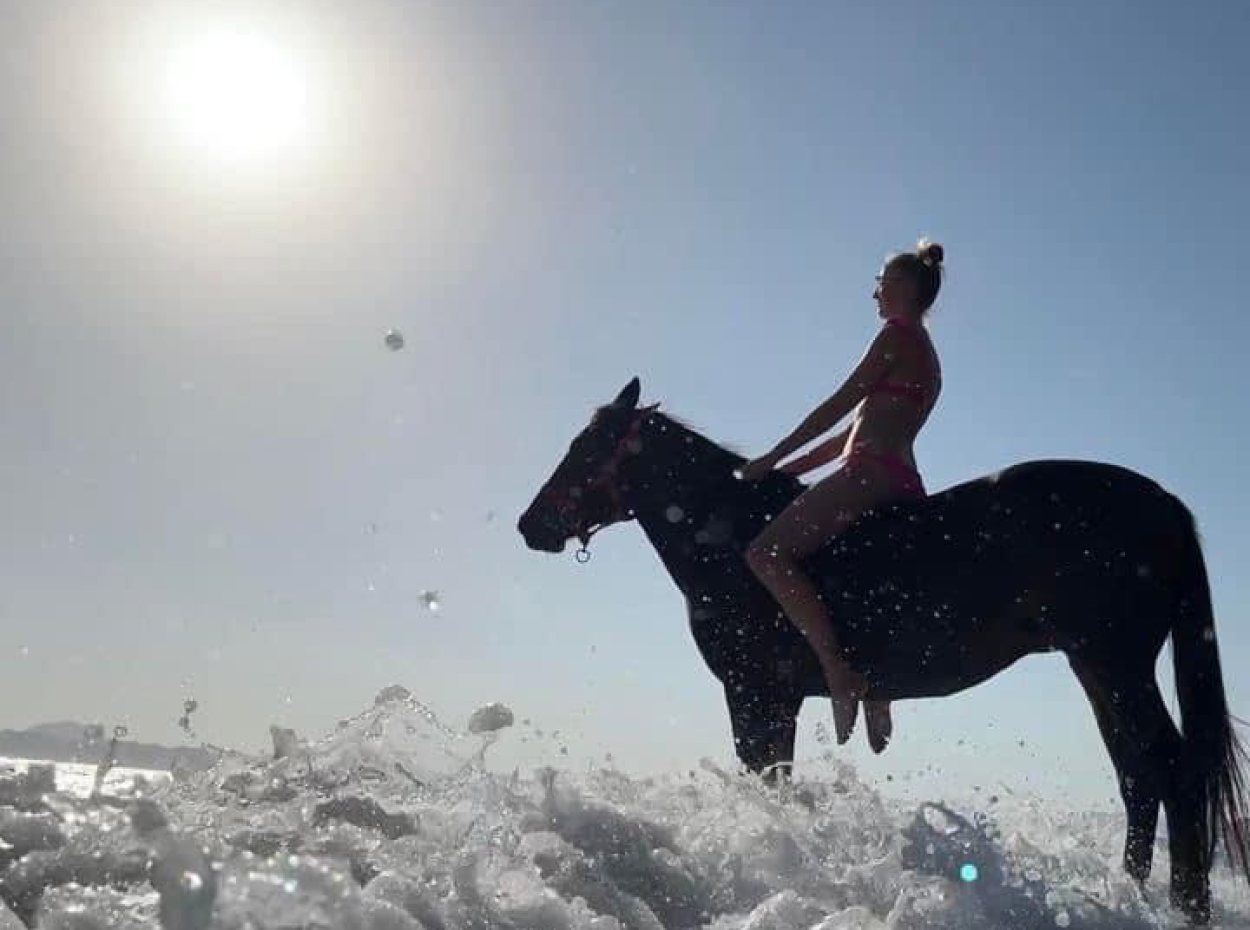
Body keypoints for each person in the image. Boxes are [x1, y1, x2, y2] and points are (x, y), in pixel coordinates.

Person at [739, 240, 945, 754]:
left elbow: (837, 407)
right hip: (904, 480)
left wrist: (768, 458)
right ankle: (877, 685)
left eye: (881, 280)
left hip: (870, 477)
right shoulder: (927, 354)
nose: (874, 290)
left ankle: (836, 668)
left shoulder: (895, 335)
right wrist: (786, 470)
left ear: (904, 287)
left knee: (764, 552)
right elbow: (845, 437)